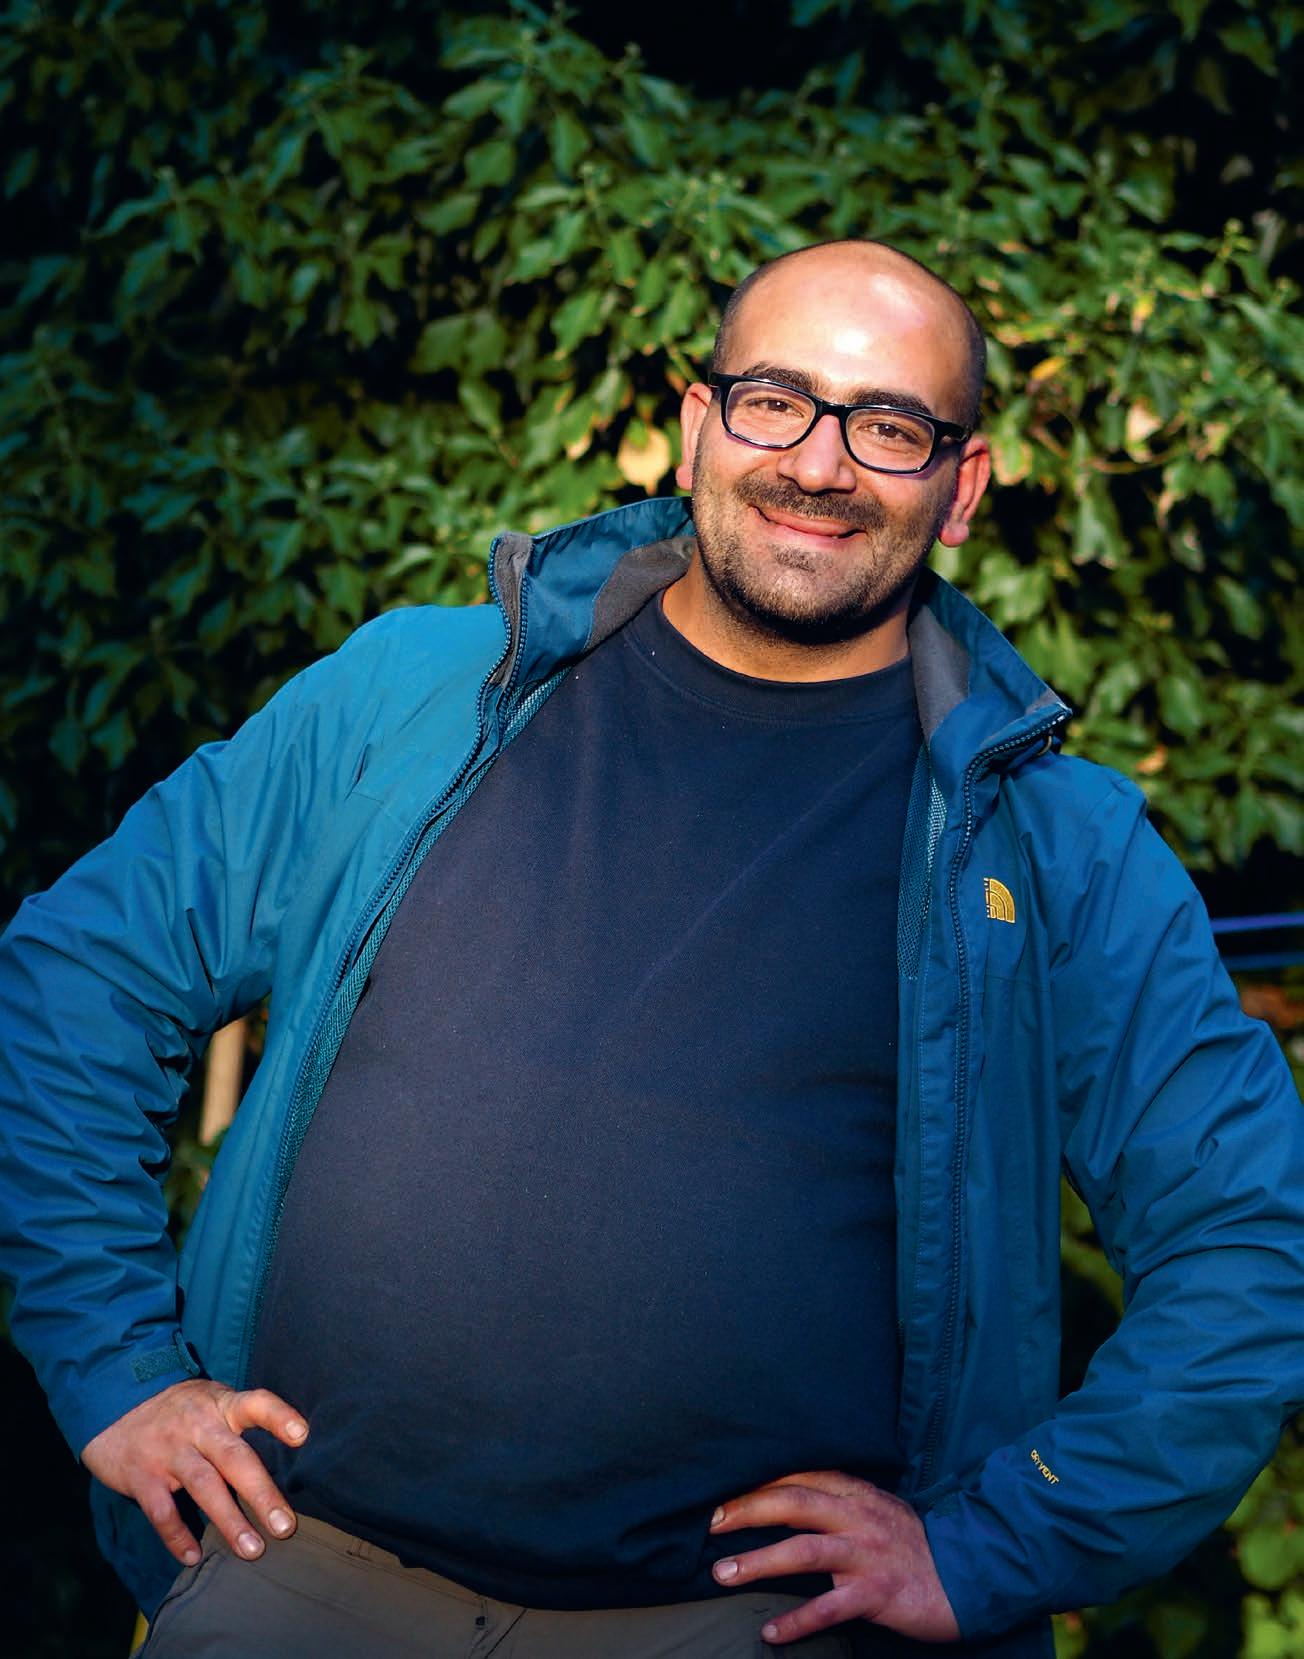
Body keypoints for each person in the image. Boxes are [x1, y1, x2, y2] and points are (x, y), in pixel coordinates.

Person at [1, 239, 1301, 1659]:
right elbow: (77, 979)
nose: (819, 463)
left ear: (962, 485)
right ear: (697, 425)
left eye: (888, 424)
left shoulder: (1053, 846)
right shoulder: (418, 694)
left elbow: (1250, 1236)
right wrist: (116, 1362)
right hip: (293, 1578)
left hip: (739, 1631)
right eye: (776, 401)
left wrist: (1001, 1544)